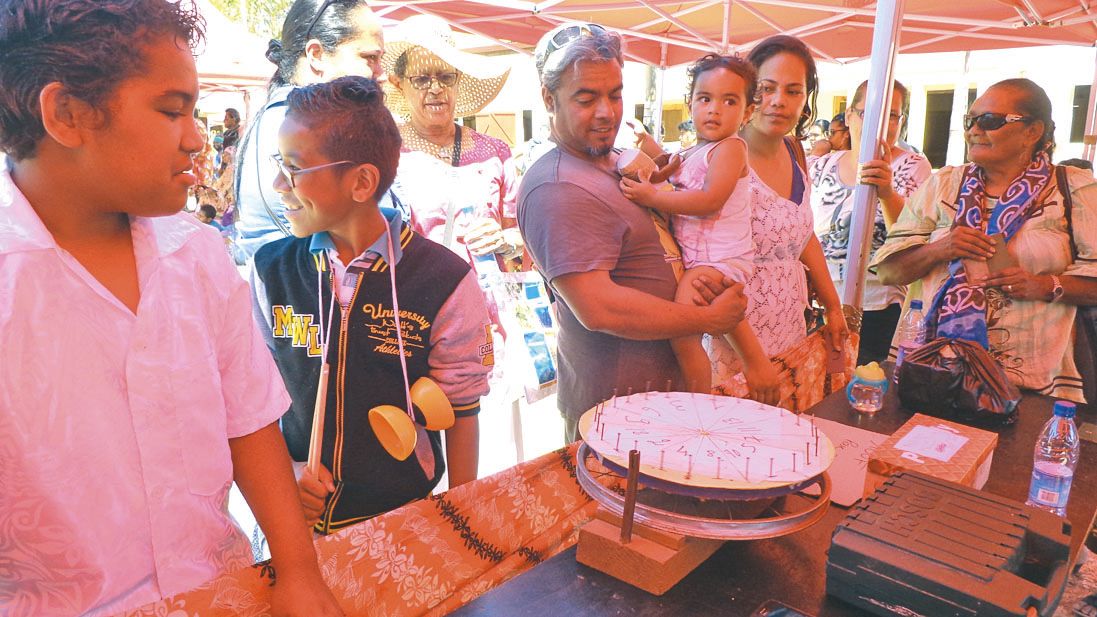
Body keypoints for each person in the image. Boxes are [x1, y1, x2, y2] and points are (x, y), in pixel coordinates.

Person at [0, 2, 341, 615]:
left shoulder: (199, 256)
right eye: (170, 109)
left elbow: (249, 422)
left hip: (222, 592)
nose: (196, 135)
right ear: (68, 115)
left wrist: (299, 573)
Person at [251, 76, 491, 534]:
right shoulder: (269, 271)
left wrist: (461, 516)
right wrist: (286, 475)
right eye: (277, 164)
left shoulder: (444, 280)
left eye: (295, 168)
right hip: (295, 519)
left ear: (362, 182)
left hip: (405, 517)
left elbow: (460, 410)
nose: (279, 184)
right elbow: (252, 403)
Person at [519, 23, 748, 441]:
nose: (606, 111)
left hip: (660, 404)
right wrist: (706, 318)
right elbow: (599, 307)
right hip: (616, 417)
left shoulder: (617, 160)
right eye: (586, 98)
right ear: (549, 99)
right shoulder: (557, 186)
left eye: (615, 94)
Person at [875, 78, 1097, 402]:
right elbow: (888, 273)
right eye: (970, 120)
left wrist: (1045, 285)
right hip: (932, 369)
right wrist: (941, 248)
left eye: (989, 121)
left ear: (1033, 132)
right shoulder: (944, 185)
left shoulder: (1074, 190)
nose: (974, 130)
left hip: (1030, 382)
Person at [619, 54, 777, 400]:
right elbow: (677, 183)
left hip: (720, 260)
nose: (714, 110)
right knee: (688, 333)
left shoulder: (731, 149)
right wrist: (658, 170)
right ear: (690, 104)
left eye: (729, 101)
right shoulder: (694, 151)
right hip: (700, 258)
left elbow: (708, 201)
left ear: (748, 112)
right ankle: (698, 392)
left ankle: (696, 399)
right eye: (705, 99)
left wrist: (652, 197)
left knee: (684, 334)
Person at [706, 34, 848, 402]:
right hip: (736, 342)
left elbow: (801, 235)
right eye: (766, 89)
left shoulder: (795, 150)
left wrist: (834, 307)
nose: (778, 102)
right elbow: (709, 270)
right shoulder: (722, 157)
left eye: (793, 91)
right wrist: (753, 360)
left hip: (789, 329)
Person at [234, 0, 385, 262]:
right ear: (316, 55)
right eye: (369, 58)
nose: (380, 73)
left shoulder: (284, 114)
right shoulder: (304, 124)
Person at [385, 15, 522, 270]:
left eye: (446, 77)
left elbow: (520, 233)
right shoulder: (385, 153)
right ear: (399, 83)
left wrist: (504, 240)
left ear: (458, 80)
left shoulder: (494, 152)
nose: (435, 88)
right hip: (421, 301)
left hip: (486, 300)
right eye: (422, 79)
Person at [809, 79, 931, 365]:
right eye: (868, 113)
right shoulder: (821, 165)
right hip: (820, 304)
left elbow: (911, 240)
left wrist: (887, 192)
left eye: (891, 115)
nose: (880, 123)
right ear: (849, 116)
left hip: (878, 307)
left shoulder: (911, 166)